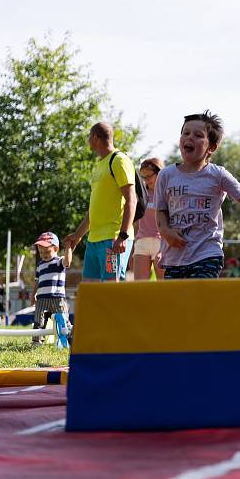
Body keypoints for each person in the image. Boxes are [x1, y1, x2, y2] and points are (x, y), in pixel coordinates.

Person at [155, 111, 240, 278]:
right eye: (185, 133)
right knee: (178, 304)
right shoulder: (166, 175)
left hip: (207, 254)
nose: (189, 137)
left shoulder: (218, 175)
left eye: (198, 135)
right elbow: (161, 210)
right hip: (175, 257)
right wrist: (165, 230)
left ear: (211, 147)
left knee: (201, 300)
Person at [63, 122, 136, 282]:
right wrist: (77, 235)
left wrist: (122, 236)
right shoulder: (100, 164)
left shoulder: (118, 160)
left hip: (112, 240)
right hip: (93, 241)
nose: (88, 140)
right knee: (92, 293)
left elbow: (132, 199)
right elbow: (95, 208)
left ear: (95, 137)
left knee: (112, 294)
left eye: (89, 137)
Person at [30, 232, 72, 344]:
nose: (44, 254)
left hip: (57, 298)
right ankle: (36, 341)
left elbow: (67, 262)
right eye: (41, 252)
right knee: (38, 320)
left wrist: (68, 247)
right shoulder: (40, 265)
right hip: (41, 298)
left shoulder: (59, 261)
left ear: (56, 249)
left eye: (47, 251)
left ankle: (68, 340)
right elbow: (37, 281)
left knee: (63, 319)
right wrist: (34, 294)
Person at [134, 158, 165, 280]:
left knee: (165, 288)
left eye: (149, 176)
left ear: (160, 173)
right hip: (141, 242)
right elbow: (135, 222)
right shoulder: (141, 194)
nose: (146, 180)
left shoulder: (168, 193)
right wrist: (132, 250)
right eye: (143, 177)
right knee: (140, 288)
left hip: (161, 243)